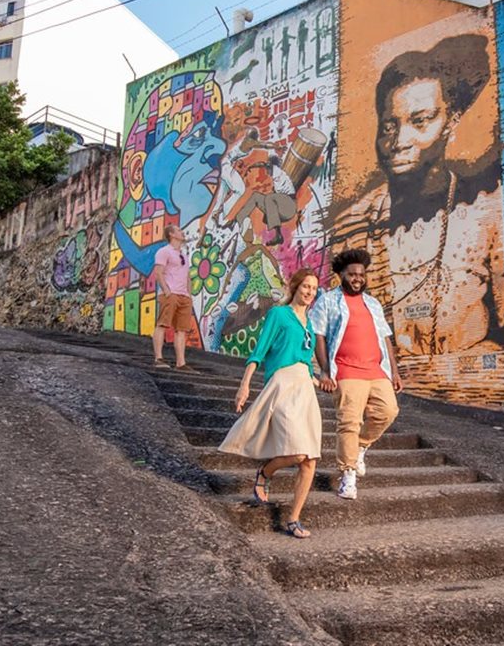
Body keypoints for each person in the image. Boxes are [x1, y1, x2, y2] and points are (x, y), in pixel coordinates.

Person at [330, 34, 504, 356]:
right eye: (388, 126)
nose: (400, 140)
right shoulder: (354, 223)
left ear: (450, 121)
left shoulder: (485, 208)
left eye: (420, 121)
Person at [218, 268, 322, 539]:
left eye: (314, 288)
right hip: (282, 385)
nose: (310, 292)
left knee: (310, 459)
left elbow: (305, 358)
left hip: (304, 389)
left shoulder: (308, 323)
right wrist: (244, 385)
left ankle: (294, 518)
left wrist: (316, 380)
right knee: (298, 452)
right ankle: (265, 471)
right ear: (295, 286)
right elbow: (259, 350)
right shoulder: (279, 314)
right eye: (306, 286)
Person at [309, 249, 402, 500]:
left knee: (388, 411)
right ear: (341, 275)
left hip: (375, 370)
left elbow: (385, 337)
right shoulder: (328, 301)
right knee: (349, 422)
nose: (358, 278)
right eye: (352, 274)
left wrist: (394, 371)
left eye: (361, 274)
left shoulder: (373, 303)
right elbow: (318, 335)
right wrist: (325, 372)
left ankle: (361, 445)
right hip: (347, 370)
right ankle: (347, 475)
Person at [151, 224, 195, 370]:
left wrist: (189, 294)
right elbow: (158, 272)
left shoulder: (183, 255)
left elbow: (188, 276)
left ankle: (181, 363)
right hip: (170, 294)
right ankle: (158, 358)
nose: (182, 232)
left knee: (181, 330)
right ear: (171, 234)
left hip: (183, 296)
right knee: (162, 324)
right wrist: (167, 291)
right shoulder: (164, 252)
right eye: (178, 230)